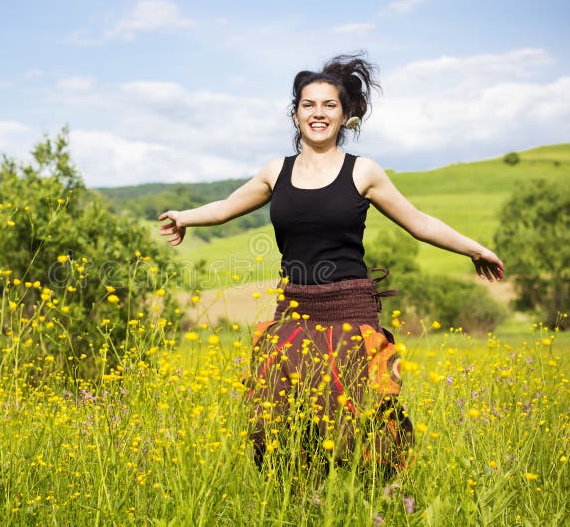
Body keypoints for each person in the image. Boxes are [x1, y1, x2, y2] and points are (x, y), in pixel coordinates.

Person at [158, 53, 504, 473]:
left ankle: (380, 505)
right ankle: (300, 505)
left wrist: (474, 248)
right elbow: (228, 206)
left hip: (351, 311)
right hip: (293, 310)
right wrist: (185, 217)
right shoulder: (275, 172)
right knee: (278, 427)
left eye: (329, 105)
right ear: (295, 113)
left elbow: (419, 222)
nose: (318, 113)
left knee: (364, 425)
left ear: (345, 116)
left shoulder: (364, 172)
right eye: (309, 105)